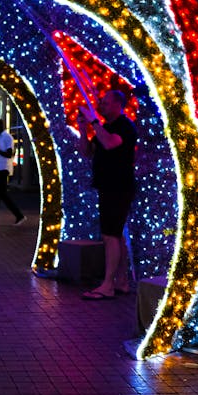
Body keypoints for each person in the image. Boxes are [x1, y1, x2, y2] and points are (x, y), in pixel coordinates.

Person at [77, 90, 137, 300]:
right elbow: (86, 151)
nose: (101, 106)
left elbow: (111, 143)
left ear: (118, 105)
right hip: (107, 186)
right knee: (116, 235)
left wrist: (94, 122)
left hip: (118, 187)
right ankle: (121, 281)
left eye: (105, 103)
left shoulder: (124, 126)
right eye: (101, 103)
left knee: (109, 236)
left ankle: (107, 285)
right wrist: (83, 129)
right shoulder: (106, 127)